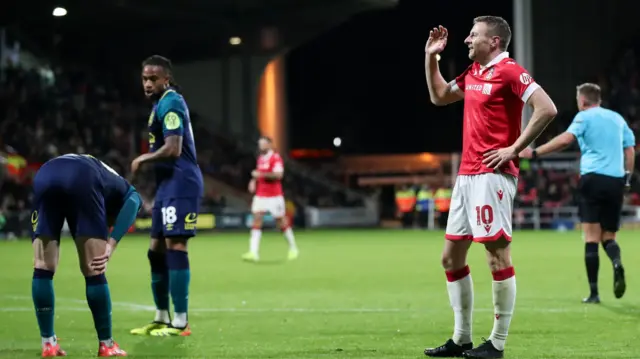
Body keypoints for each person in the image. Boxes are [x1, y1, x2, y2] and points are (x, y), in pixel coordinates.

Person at [423, 16, 557, 359]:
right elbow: (439, 96)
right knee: (450, 258)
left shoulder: (510, 71)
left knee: (496, 257)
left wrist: (514, 149)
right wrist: (430, 57)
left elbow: (546, 108)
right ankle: (462, 338)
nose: (467, 39)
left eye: (474, 34)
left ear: (494, 41)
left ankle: (496, 343)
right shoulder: (474, 74)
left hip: (492, 176)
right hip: (466, 176)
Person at [520, 83, 634, 303]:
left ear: (582, 101)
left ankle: (594, 293)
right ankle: (617, 263)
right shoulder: (618, 119)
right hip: (616, 181)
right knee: (609, 236)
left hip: (592, 178)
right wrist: (626, 178)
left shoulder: (583, 118)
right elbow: (629, 149)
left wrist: (535, 153)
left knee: (591, 237)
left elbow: (566, 140)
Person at [31, 154, 142, 357]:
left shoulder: (107, 177)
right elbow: (135, 200)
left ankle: (48, 343)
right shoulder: (119, 187)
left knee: (42, 267)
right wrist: (111, 244)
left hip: (44, 173)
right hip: (83, 176)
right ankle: (106, 344)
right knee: (94, 268)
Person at [130, 55, 203, 337]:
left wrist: (142, 160)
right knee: (155, 251)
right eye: (144, 79)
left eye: (153, 79)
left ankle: (181, 322)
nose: (147, 84)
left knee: (175, 247)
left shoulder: (171, 101)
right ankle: (161, 317)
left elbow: (173, 148)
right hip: (167, 185)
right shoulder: (159, 105)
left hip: (181, 182)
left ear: (166, 79)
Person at [242, 136, 299, 262]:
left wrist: (260, 175)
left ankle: (293, 248)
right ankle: (253, 252)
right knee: (257, 219)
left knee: (281, 222)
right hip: (260, 195)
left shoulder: (276, 158)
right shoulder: (261, 158)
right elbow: (258, 172)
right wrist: (253, 181)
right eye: (259, 144)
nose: (260, 146)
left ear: (269, 145)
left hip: (274, 196)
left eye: (263, 144)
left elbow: (278, 175)